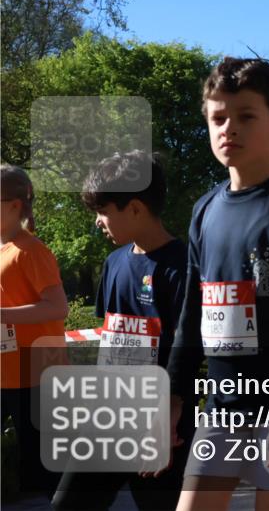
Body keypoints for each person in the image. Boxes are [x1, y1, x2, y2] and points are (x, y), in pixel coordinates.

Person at [166, 58, 269, 511]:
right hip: (223, 405)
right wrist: (175, 393)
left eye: (246, 117)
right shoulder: (205, 210)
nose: (229, 130)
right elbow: (192, 312)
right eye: (218, 118)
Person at [54, 151, 192, 511]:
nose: (98, 222)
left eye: (103, 212)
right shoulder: (113, 263)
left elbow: (190, 350)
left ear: (134, 208)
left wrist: (168, 417)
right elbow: (110, 338)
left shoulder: (184, 268)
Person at [1, 164, 69, 501]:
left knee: (43, 475)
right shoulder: (3, 249)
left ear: (14, 205)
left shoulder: (31, 250)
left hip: (37, 377)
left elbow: (58, 307)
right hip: (7, 373)